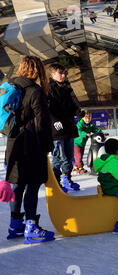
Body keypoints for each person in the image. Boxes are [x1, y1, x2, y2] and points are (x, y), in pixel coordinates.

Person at [6, 56, 55, 243]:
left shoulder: (11, 87)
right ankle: (31, 227)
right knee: (32, 186)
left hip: (14, 144)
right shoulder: (35, 91)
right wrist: (47, 147)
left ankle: (15, 225)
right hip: (32, 145)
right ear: (37, 70)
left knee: (17, 186)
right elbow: (42, 123)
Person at [48, 63, 83, 192]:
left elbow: (73, 104)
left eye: (64, 73)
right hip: (56, 129)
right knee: (59, 157)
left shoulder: (67, 87)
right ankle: (56, 181)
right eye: (60, 73)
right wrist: (54, 121)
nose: (63, 75)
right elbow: (47, 109)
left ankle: (67, 178)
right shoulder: (48, 89)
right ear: (52, 74)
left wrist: (79, 112)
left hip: (68, 126)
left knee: (69, 156)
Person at [94, 138, 118, 233]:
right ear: (117, 150)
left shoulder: (104, 160)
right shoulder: (113, 162)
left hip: (106, 186)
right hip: (112, 187)